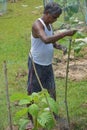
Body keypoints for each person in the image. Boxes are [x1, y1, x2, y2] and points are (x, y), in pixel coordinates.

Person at [27, 2, 77, 129]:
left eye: (57, 18)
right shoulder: (37, 25)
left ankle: (54, 115)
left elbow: (52, 41)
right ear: (47, 13)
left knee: (52, 90)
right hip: (36, 64)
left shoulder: (49, 25)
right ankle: (30, 119)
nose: (55, 20)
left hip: (47, 64)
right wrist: (65, 33)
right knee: (33, 92)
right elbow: (45, 39)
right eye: (54, 17)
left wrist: (60, 46)